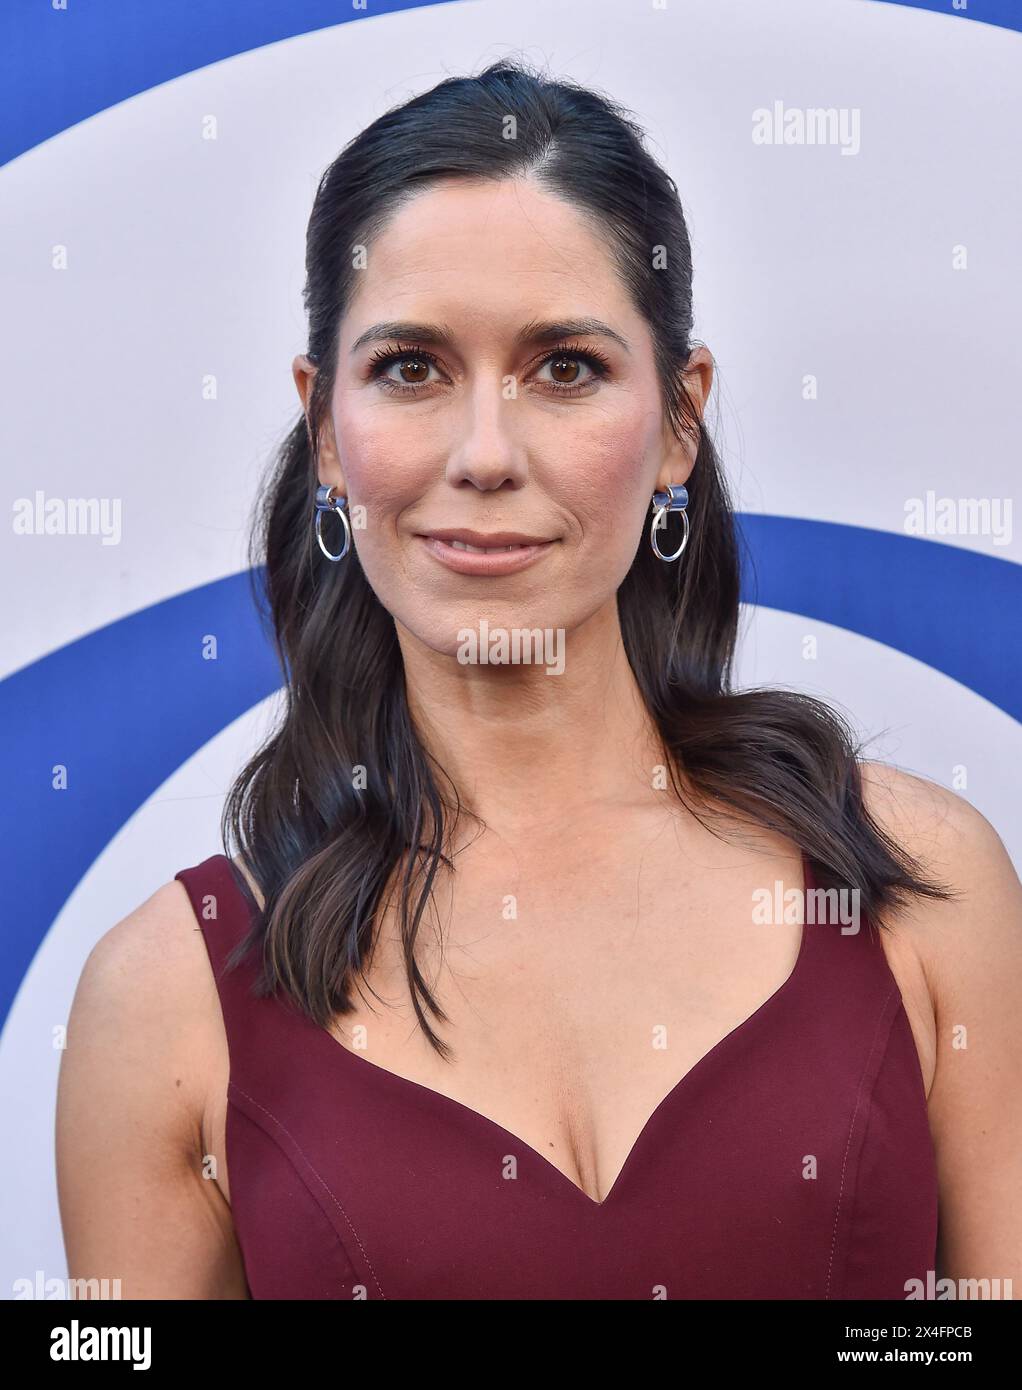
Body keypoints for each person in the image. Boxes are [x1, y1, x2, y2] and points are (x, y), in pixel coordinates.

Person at [56, 58, 1022, 1300]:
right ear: (324, 433)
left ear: (679, 419)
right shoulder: (163, 996)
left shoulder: (916, 885)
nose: (485, 454)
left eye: (563, 367)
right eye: (410, 368)